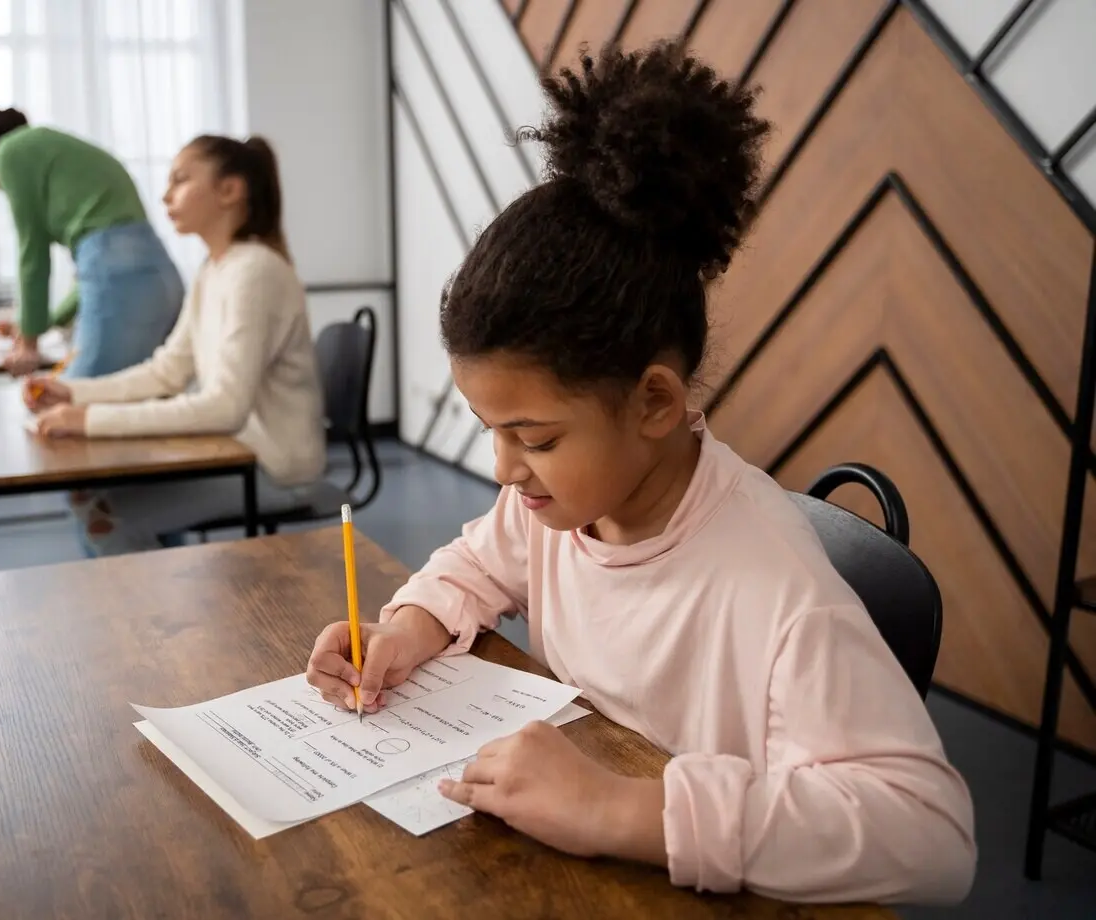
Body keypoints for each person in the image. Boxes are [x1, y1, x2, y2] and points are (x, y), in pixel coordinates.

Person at [304, 42, 976, 906]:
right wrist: (404, 630)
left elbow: (933, 837)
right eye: (491, 431)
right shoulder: (557, 506)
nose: (505, 469)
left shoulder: (777, 590)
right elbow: (475, 563)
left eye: (535, 437)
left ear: (655, 401)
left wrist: (625, 811)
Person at [21, 135, 326, 556]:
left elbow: (225, 406)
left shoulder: (255, 272)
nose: (165, 195)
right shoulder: (214, 269)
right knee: (90, 497)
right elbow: (167, 369)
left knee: (106, 514)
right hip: (235, 451)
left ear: (230, 190)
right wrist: (74, 393)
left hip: (276, 468)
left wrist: (88, 419)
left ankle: (154, 619)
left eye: (180, 180)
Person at [0, 108, 183, 379]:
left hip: (122, 282)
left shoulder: (8, 152)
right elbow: (99, 272)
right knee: (137, 398)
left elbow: (33, 252)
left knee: (69, 398)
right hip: (161, 279)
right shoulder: (57, 150)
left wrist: (29, 342)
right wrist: (41, 323)